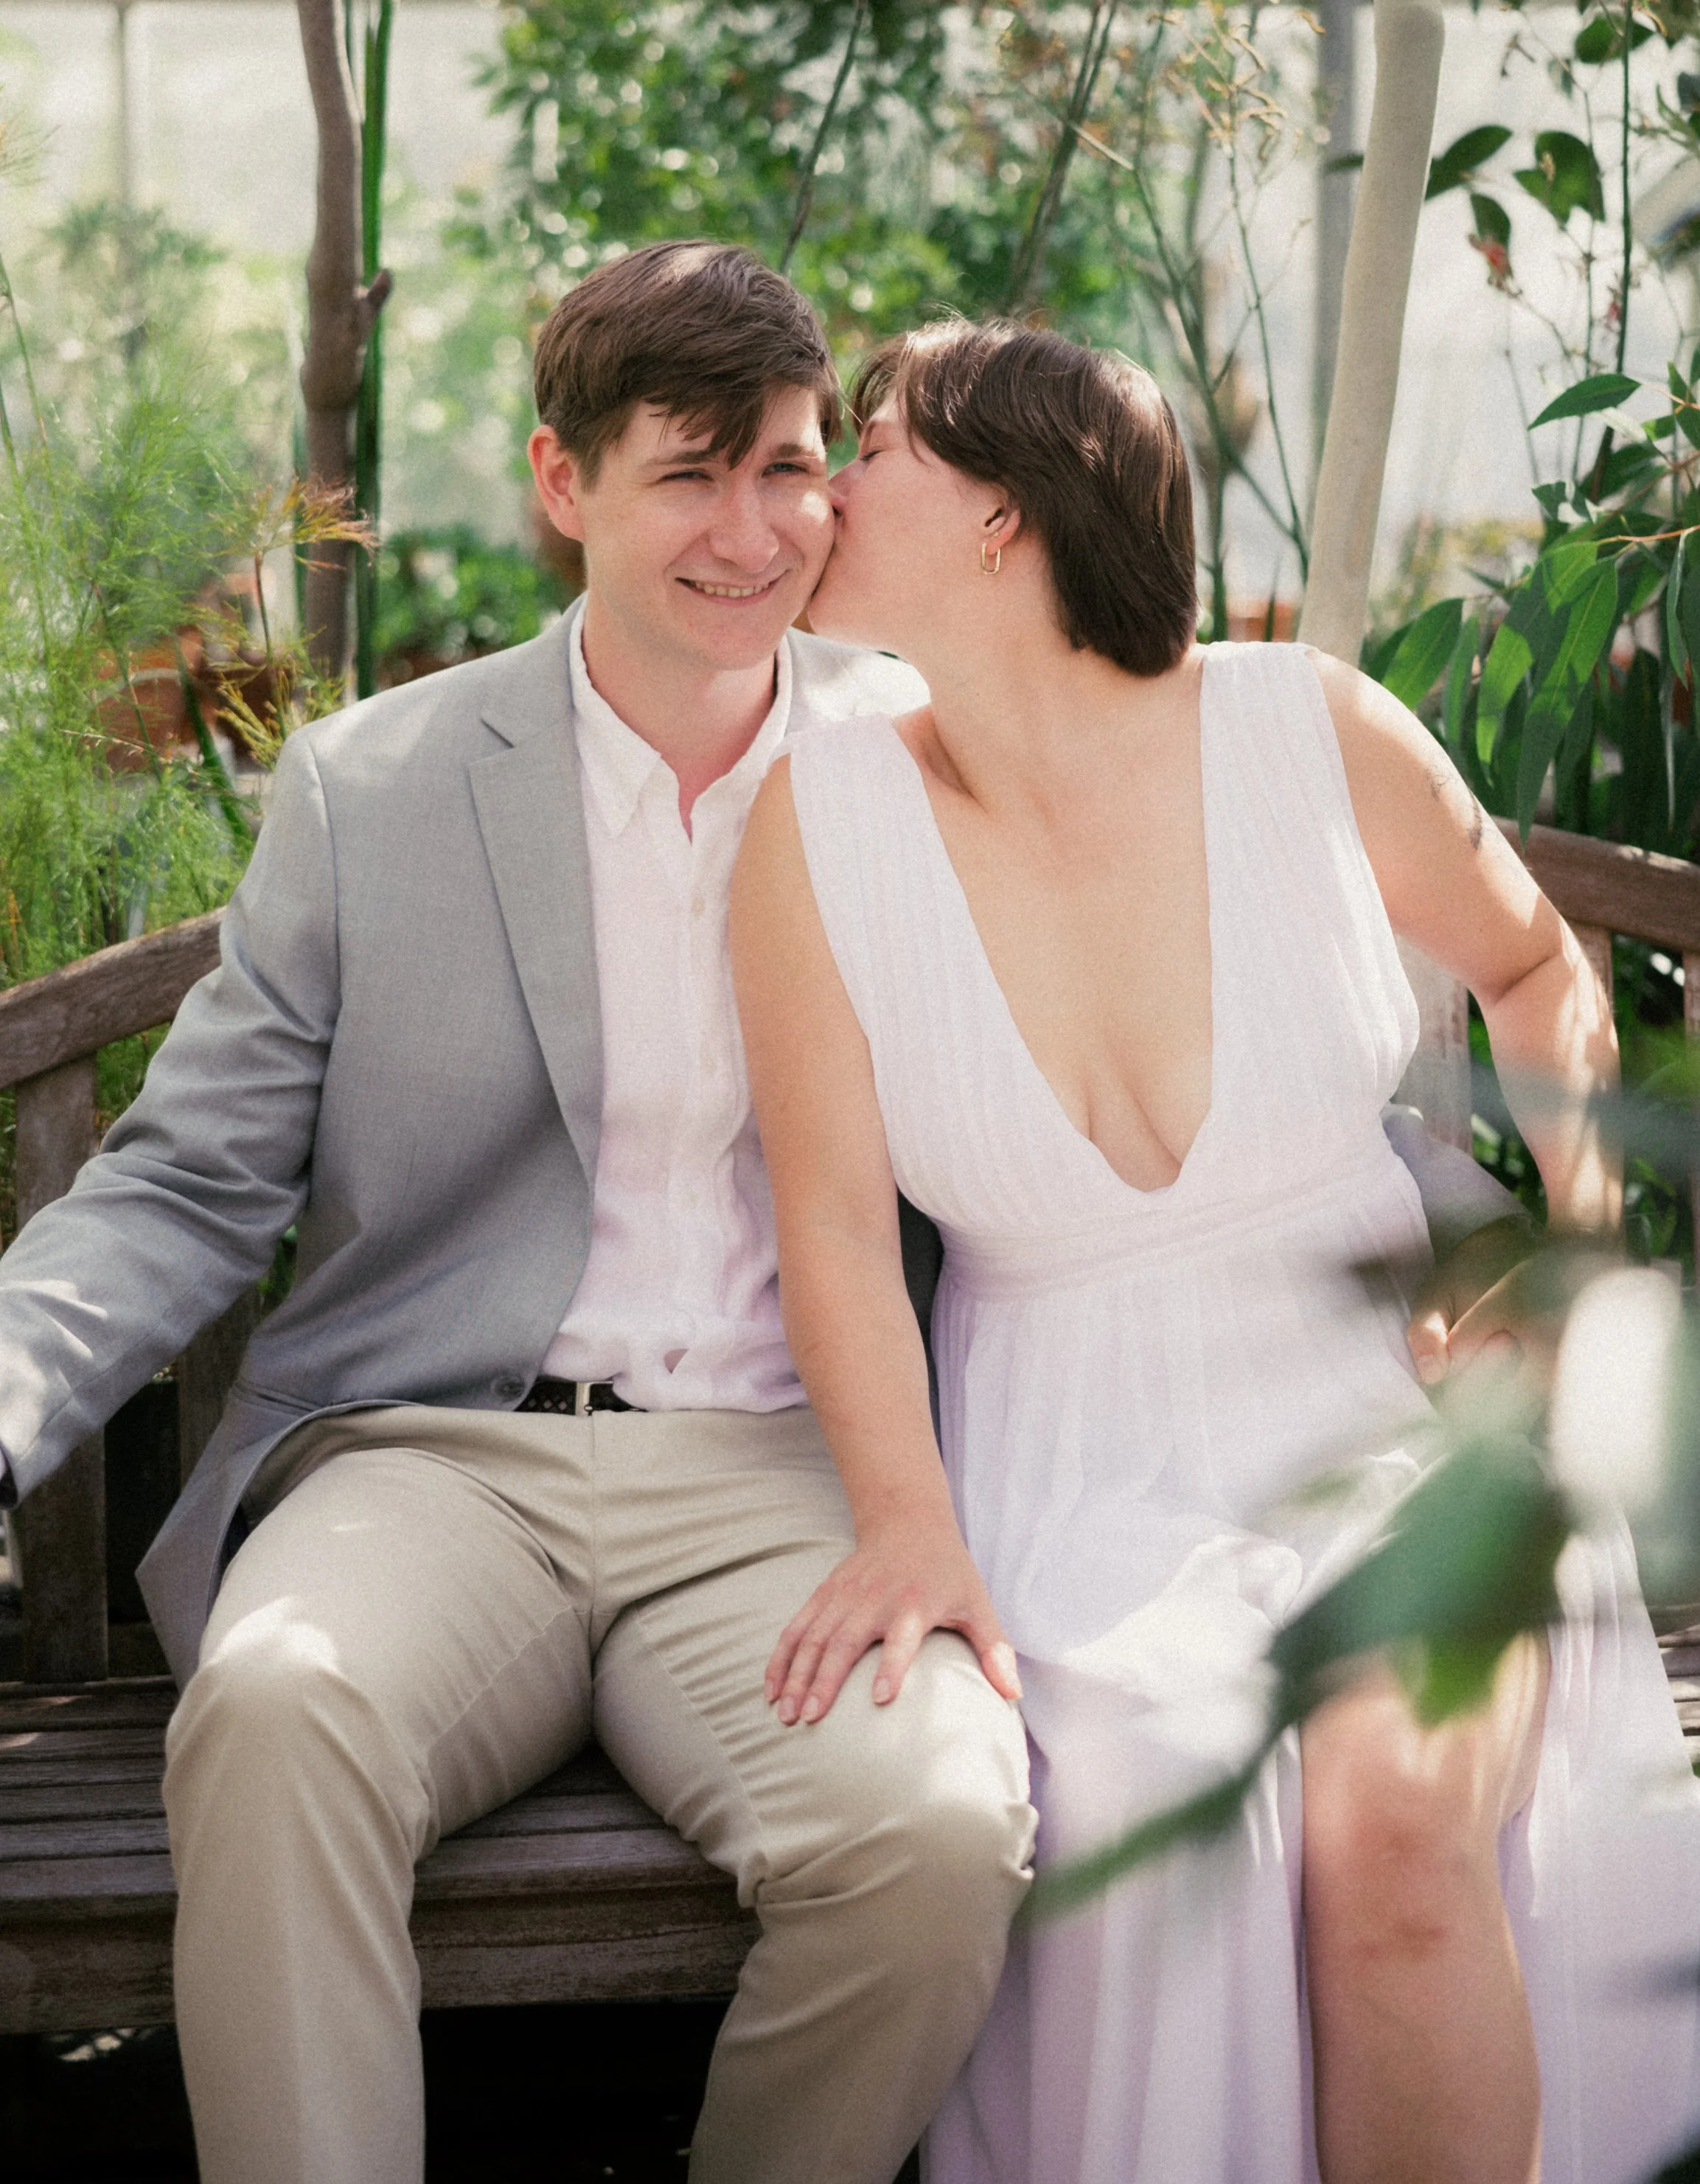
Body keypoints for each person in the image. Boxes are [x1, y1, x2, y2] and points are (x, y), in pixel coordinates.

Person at [0, 245, 1041, 2184]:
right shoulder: (374, 784)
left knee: (932, 1835)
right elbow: (193, 1171)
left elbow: (1144, 1041)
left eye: (794, 469)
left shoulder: (922, 755)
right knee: (277, 1702)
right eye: (690, 472)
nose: (754, 532)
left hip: (790, 1477)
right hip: (436, 1458)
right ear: (562, 482)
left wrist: (1421, 1233)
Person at [729, 318, 1700, 2184]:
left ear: (998, 516)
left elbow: (1536, 971)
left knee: (1390, 1819)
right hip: (1068, 1455)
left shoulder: (1309, 729)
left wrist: (1574, 1261)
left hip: (1387, 1416)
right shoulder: (819, 822)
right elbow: (828, 1228)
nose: (818, 484)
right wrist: (905, 1521)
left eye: (864, 443)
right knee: (1154, 1775)